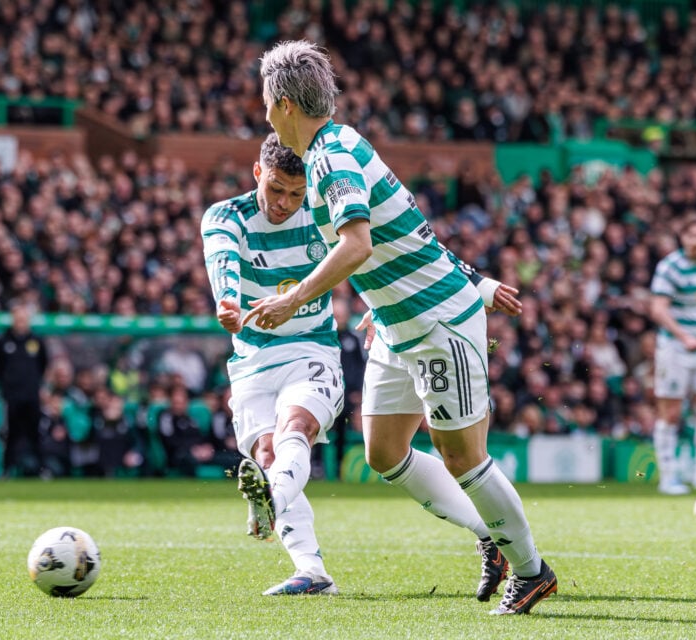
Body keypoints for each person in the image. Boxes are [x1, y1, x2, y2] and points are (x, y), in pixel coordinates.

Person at [246, 41, 556, 615]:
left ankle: (533, 571)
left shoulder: (331, 157)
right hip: (395, 321)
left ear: (285, 102)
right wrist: (379, 297)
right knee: (384, 451)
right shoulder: (334, 148)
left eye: (267, 101)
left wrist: (292, 299)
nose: (263, 111)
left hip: (437, 321)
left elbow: (358, 243)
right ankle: (490, 536)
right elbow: (404, 233)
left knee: (462, 455)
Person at [201, 133, 344, 595]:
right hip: (253, 358)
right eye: (276, 189)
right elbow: (223, 261)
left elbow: (363, 256)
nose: (284, 202)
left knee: (294, 430)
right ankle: (312, 571)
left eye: (296, 194)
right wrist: (226, 300)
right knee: (266, 455)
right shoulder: (226, 216)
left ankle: (270, 500)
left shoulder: (322, 216)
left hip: (312, 348)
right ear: (258, 173)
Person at [649, 214, 696, 495]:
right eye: (691, 235)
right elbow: (658, 309)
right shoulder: (670, 267)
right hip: (675, 348)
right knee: (671, 412)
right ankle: (668, 477)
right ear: (682, 238)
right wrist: (685, 336)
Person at [0, 303, 49, 477]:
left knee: (35, 433)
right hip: (12, 397)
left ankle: (40, 469)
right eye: (18, 319)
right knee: (11, 435)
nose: (21, 323)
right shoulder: (4, 341)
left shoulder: (37, 341)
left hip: (31, 396)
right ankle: (7, 469)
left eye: (24, 319)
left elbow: (43, 365)